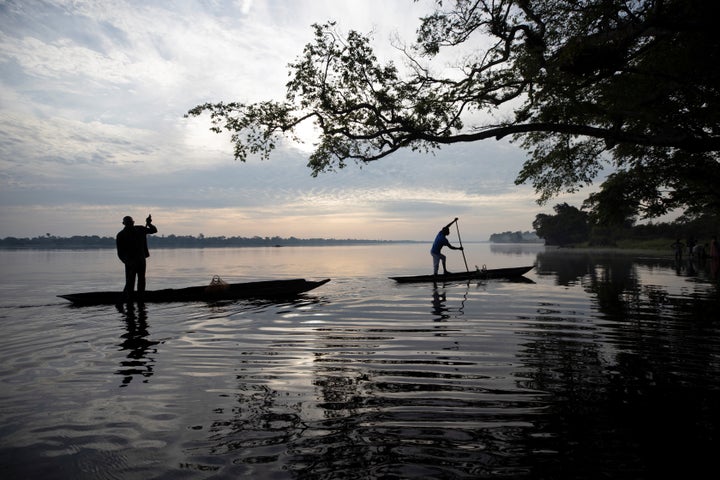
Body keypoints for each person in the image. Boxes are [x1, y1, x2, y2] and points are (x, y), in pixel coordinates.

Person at [116, 214, 157, 301]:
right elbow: (120, 253)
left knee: (141, 279)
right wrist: (128, 262)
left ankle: (141, 297)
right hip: (130, 262)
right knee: (130, 281)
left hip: (141, 259)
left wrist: (149, 223)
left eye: (130, 222)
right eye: (127, 223)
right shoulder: (121, 235)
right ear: (124, 223)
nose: (129, 224)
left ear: (133, 222)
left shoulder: (140, 229)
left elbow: (154, 230)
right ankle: (129, 298)